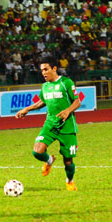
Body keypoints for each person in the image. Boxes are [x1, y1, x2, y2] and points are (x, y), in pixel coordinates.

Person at [15, 58, 81, 191]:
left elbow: (77, 101)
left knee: (68, 161)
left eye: (46, 69)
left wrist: (68, 111)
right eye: (42, 70)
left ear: (54, 68)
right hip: (50, 124)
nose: (44, 73)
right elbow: (41, 102)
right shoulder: (45, 86)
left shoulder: (66, 83)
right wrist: (26, 109)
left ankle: (69, 180)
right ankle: (49, 160)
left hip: (67, 126)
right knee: (37, 151)